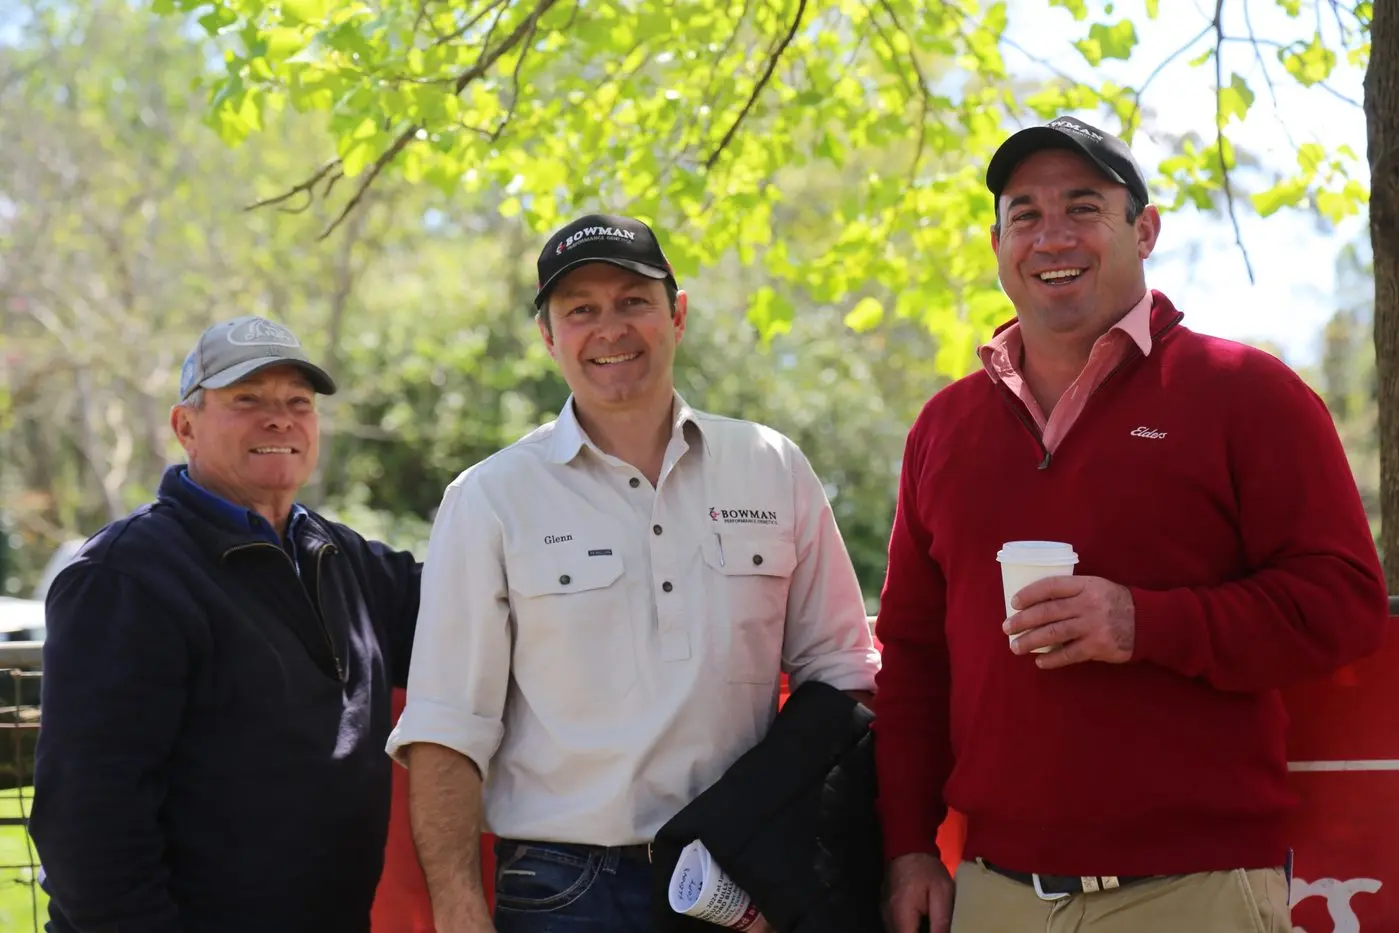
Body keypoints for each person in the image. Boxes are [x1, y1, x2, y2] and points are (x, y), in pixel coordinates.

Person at [872, 115, 1389, 933]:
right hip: (993, 894)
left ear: (1142, 231)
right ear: (998, 241)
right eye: (1024, 215)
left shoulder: (1246, 393)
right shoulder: (942, 426)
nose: (1051, 237)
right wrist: (906, 848)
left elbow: (1343, 603)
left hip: (1195, 891)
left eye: (1083, 208)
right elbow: (911, 661)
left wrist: (1140, 620)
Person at [386, 213, 881, 933]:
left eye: (632, 301)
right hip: (563, 888)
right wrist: (459, 908)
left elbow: (839, 675)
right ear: (547, 337)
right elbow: (446, 729)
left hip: (740, 878)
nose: (609, 328)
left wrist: (804, 846)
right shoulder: (489, 498)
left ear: (675, 315)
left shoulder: (771, 467)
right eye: (579, 310)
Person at [32, 315, 422, 933]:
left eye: (299, 402)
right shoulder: (125, 575)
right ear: (185, 426)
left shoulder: (341, 557)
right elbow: (88, 824)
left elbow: (480, 610)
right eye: (247, 400)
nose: (280, 418)